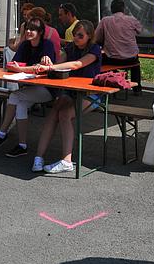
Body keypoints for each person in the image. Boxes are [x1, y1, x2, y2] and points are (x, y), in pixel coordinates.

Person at [32, 20, 102, 174]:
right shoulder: (70, 47)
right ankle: (38, 157)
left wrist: (50, 66)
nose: (76, 38)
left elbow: (76, 64)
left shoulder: (95, 49)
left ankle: (66, 161)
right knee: (54, 111)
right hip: (71, 91)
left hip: (92, 95)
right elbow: (59, 61)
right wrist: (48, 61)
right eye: (74, 35)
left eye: (80, 35)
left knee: (64, 114)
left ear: (89, 37)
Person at [0, 18, 56, 157]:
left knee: (14, 96)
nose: (28, 31)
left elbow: (43, 69)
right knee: (21, 105)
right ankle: (22, 145)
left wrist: (25, 68)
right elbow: (13, 64)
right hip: (30, 87)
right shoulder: (25, 45)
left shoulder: (47, 45)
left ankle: (2, 132)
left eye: (33, 29)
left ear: (40, 32)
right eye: (27, 29)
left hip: (48, 89)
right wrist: (26, 68)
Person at [95, 0, 144, 95]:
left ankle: (107, 82)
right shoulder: (132, 20)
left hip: (112, 58)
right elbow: (140, 30)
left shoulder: (105, 21)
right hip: (131, 58)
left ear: (111, 9)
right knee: (136, 65)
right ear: (124, 9)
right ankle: (137, 89)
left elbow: (97, 38)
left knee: (100, 61)